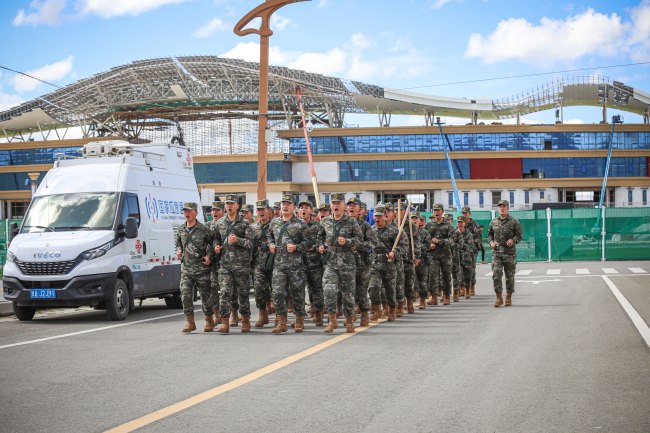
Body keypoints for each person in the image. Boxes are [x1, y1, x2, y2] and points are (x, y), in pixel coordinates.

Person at [319, 193, 362, 333]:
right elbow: (320, 237)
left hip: (347, 261)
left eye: (338, 203)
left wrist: (348, 242)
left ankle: (349, 320)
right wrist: (320, 246)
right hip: (331, 261)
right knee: (328, 291)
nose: (336, 205)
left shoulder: (351, 222)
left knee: (348, 293)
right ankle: (332, 320)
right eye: (333, 203)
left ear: (343, 205)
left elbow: (359, 240)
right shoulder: (325, 221)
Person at [214, 194, 255, 333]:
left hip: (241, 265)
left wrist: (238, 240)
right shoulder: (219, 223)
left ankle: (245, 320)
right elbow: (215, 239)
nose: (229, 206)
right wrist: (216, 247)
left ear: (237, 206)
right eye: (227, 204)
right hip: (225, 265)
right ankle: (225, 321)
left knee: (243, 294)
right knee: (225, 292)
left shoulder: (245, 223)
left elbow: (250, 243)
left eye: (232, 203)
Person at [268, 194, 308, 333]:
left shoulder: (301, 223)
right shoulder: (274, 222)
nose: (285, 206)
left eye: (288, 204)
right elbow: (269, 236)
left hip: (295, 264)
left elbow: (309, 243)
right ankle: (281, 321)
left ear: (294, 207)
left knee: (297, 292)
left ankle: (299, 319)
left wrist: (296, 247)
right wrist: (271, 245)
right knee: (278, 292)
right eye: (283, 204)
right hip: (279, 263)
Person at [175, 202, 213, 333]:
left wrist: (209, 256)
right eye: (185, 211)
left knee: (205, 296)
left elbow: (212, 245)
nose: (187, 213)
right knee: (185, 295)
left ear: (196, 212)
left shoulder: (204, 230)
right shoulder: (181, 229)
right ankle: (190, 322)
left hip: (201, 269)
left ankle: (209, 320)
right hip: (186, 269)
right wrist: (178, 251)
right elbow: (178, 243)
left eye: (190, 211)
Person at [347, 197, 379, 326]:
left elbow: (373, 243)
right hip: (346, 264)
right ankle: (351, 315)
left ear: (360, 209)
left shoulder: (364, 225)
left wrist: (359, 246)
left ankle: (365, 315)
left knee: (361, 291)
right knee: (348, 290)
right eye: (349, 205)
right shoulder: (343, 224)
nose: (351, 208)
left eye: (355, 206)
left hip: (362, 264)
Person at [487, 200, 522, 307]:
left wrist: (513, 240)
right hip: (497, 253)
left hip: (509, 253)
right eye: (500, 207)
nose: (501, 208)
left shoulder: (514, 221)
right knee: (496, 275)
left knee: (509, 276)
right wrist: (491, 242)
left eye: (504, 206)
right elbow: (489, 236)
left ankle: (508, 296)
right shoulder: (493, 222)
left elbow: (519, 236)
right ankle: (498, 297)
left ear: (508, 208)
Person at [299, 199, 325, 326]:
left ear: (311, 210)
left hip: (314, 262)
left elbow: (320, 241)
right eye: (301, 207)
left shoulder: (317, 226)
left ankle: (318, 313)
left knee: (316, 289)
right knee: (298, 289)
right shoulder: (295, 225)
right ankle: (300, 317)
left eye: (306, 207)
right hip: (298, 262)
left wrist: (315, 247)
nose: (303, 209)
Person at [424, 203, 454, 305]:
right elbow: (423, 238)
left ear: (442, 211)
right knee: (433, 275)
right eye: (435, 210)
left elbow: (452, 240)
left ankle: (446, 296)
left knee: (446, 276)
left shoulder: (448, 225)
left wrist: (439, 241)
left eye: (438, 210)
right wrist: (430, 244)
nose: (436, 212)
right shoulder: (428, 225)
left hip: (445, 254)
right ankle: (434, 297)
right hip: (433, 255)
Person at [251, 199, 273, 328]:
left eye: (263, 209)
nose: (261, 212)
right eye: (259, 210)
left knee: (276, 291)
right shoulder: (253, 227)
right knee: (259, 291)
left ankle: (279, 317)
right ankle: (262, 315)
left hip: (273, 262)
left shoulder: (275, 225)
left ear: (268, 211)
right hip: (259, 263)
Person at [206, 201, 224, 325]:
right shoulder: (206, 226)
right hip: (212, 263)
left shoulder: (227, 225)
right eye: (213, 210)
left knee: (227, 290)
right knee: (212, 287)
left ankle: (230, 313)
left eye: (217, 210)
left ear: (223, 211)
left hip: (226, 262)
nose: (214, 212)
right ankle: (217, 314)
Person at [462, 206, 482, 296]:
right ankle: (463, 287)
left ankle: (472, 286)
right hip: (462, 250)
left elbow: (478, 237)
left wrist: (474, 248)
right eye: (463, 213)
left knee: (471, 269)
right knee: (462, 269)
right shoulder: (460, 223)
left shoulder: (475, 224)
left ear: (469, 214)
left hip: (472, 250)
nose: (464, 215)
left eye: (466, 213)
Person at [455, 215, 476, 300]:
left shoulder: (468, 234)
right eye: (458, 222)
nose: (459, 224)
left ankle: (468, 289)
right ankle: (460, 289)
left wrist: (459, 245)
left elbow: (469, 247)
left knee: (467, 275)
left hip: (467, 258)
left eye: (461, 222)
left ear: (464, 223)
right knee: (458, 274)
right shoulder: (454, 233)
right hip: (457, 257)